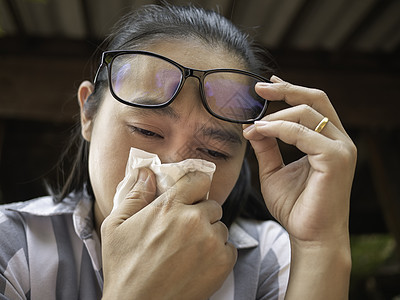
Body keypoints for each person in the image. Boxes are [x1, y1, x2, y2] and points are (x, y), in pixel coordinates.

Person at [0, 3, 356, 300]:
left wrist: (319, 244)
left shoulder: (271, 259)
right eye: (146, 130)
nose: (174, 167)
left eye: (213, 151)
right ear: (88, 114)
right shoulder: (13, 247)